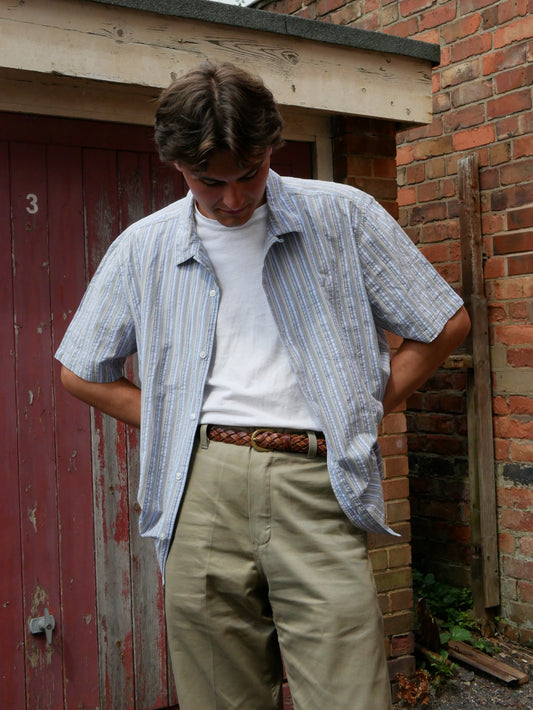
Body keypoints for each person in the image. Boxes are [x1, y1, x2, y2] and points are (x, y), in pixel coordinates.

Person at [56, 62, 470, 710]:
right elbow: (80, 371)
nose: (231, 198)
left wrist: (359, 410)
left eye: (247, 173)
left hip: (315, 480)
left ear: (271, 147)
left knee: (348, 697)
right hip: (200, 486)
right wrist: (175, 420)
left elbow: (441, 324)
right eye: (208, 182)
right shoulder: (144, 248)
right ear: (176, 166)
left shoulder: (342, 217)